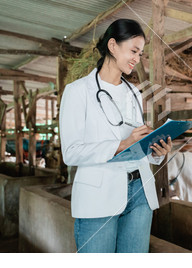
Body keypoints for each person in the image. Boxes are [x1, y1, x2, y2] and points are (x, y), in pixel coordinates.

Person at [59, 18, 172, 253]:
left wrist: (156, 152)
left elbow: (136, 145)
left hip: (139, 193)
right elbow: (71, 153)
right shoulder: (78, 91)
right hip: (99, 197)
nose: (137, 59)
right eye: (133, 50)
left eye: (140, 54)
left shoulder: (133, 93)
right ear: (112, 46)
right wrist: (121, 144)